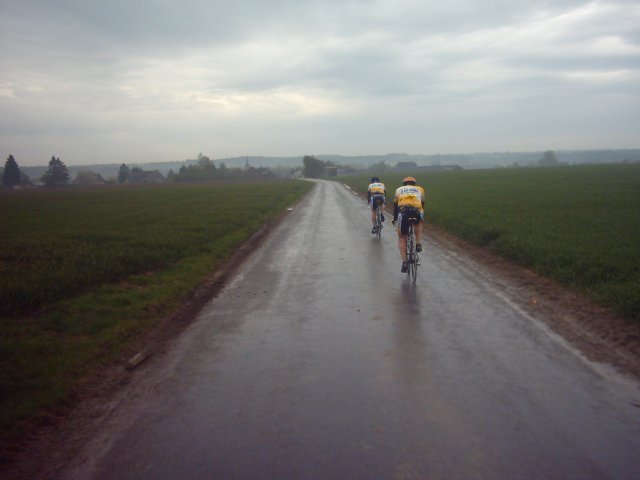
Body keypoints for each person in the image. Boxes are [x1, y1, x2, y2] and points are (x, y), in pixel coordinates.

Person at [392, 176, 425, 272]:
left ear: (404, 184)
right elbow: (422, 204)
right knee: (418, 223)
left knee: (402, 237)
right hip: (416, 211)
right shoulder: (420, 189)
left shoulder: (399, 189)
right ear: (414, 183)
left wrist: (395, 219)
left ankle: (405, 262)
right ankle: (418, 244)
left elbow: (395, 206)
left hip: (404, 212)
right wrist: (421, 217)